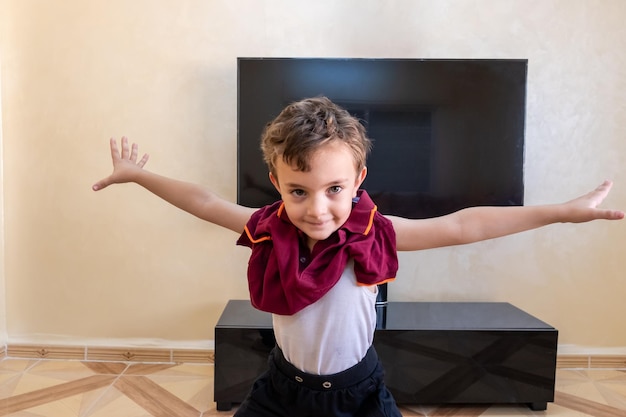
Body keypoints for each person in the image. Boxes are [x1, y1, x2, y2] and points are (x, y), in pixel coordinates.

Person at [93, 97, 623, 417]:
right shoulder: (266, 229)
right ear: (276, 183)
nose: (317, 209)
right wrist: (139, 175)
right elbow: (205, 201)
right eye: (298, 191)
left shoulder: (376, 233)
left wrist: (558, 212)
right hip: (282, 386)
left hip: (359, 391)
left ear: (358, 181)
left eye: (334, 189)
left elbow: (466, 224)